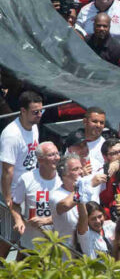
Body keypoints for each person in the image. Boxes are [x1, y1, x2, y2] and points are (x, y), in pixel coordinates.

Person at [0, 90, 43, 257]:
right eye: (35, 112)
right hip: (13, 191)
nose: (39, 115)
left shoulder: (34, 128)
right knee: (9, 236)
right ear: (23, 111)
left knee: (28, 235)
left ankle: (21, 269)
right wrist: (8, 198)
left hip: (29, 189)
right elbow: (7, 171)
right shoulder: (11, 135)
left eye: (41, 111)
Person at [10, 142, 61, 252]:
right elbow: (15, 204)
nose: (56, 158)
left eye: (57, 154)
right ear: (40, 160)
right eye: (51, 155)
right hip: (30, 244)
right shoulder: (26, 179)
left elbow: (69, 212)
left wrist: (46, 220)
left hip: (57, 243)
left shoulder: (64, 178)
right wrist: (18, 220)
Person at [49, 154, 99, 250]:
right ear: (64, 174)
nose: (81, 172)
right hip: (67, 253)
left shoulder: (86, 189)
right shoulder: (56, 195)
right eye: (75, 169)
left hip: (90, 248)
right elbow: (65, 205)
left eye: (81, 168)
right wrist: (88, 185)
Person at [83, 107, 107, 172]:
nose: (98, 125)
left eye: (101, 123)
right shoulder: (74, 142)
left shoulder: (106, 147)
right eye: (95, 121)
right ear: (85, 122)